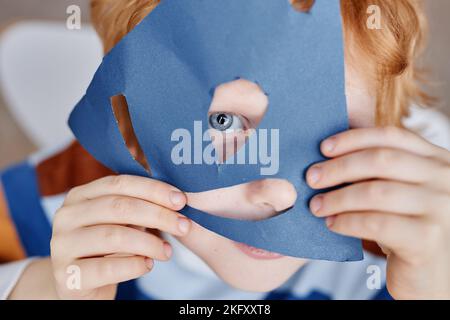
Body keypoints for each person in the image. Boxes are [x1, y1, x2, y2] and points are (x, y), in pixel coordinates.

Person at [1, 0, 449, 300]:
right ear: (133, 130)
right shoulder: (35, 213)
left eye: (329, 127)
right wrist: (43, 288)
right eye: (224, 122)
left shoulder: (415, 243)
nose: (275, 193)